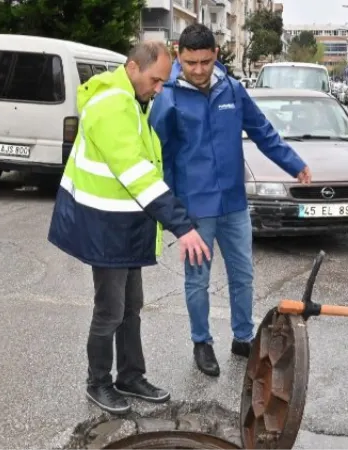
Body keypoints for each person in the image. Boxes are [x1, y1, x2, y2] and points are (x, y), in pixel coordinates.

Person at [47, 41, 212, 415]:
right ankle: (98, 383)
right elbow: (136, 173)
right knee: (110, 310)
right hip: (104, 225)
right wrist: (181, 226)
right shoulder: (112, 105)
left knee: (131, 307)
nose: (159, 89)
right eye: (155, 80)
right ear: (133, 67)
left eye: (163, 82)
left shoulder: (135, 101)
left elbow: (149, 165)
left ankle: (131, 376)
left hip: (126, 223)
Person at [149, 24, 311, 377]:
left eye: (205, 61)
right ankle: (201, 342)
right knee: (198, 281)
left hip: (234, 204)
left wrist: (294, 164)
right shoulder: (168, 98)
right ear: (179, 56)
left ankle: (243, 338)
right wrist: (171, 211)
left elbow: (263, 131)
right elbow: (156, 155)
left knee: (243, 276)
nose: (198, 70)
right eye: (191, 62)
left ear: (215, 56)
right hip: (195, 209)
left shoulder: (232, 90)